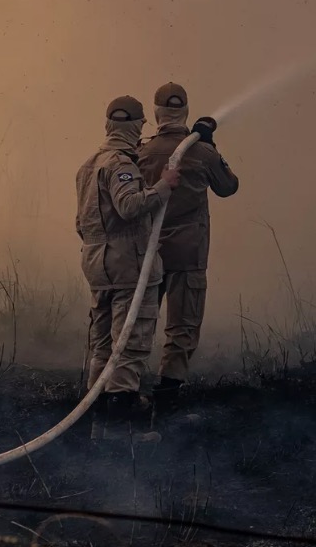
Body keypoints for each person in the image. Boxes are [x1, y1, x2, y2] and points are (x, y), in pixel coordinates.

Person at [75, 95, 180, 441]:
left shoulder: (88, 165)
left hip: (98, 269)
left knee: (102, 346)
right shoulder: (121, 164)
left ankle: (99, 429)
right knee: (130, 344)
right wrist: (164, 186)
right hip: (129, 269)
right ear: (136, 127)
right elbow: (130, 206)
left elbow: (82, 222)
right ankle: (121, 437)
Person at [137, 82, 239, 413]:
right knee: (183, 325)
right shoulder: (202, 153)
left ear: (155, 113)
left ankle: (123, 391)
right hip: (189, 254)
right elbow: (229, 187)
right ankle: (166, 400)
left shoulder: (140, 152)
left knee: (138, 321)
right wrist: (209, 145)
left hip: (148, 255)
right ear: (186, 112)